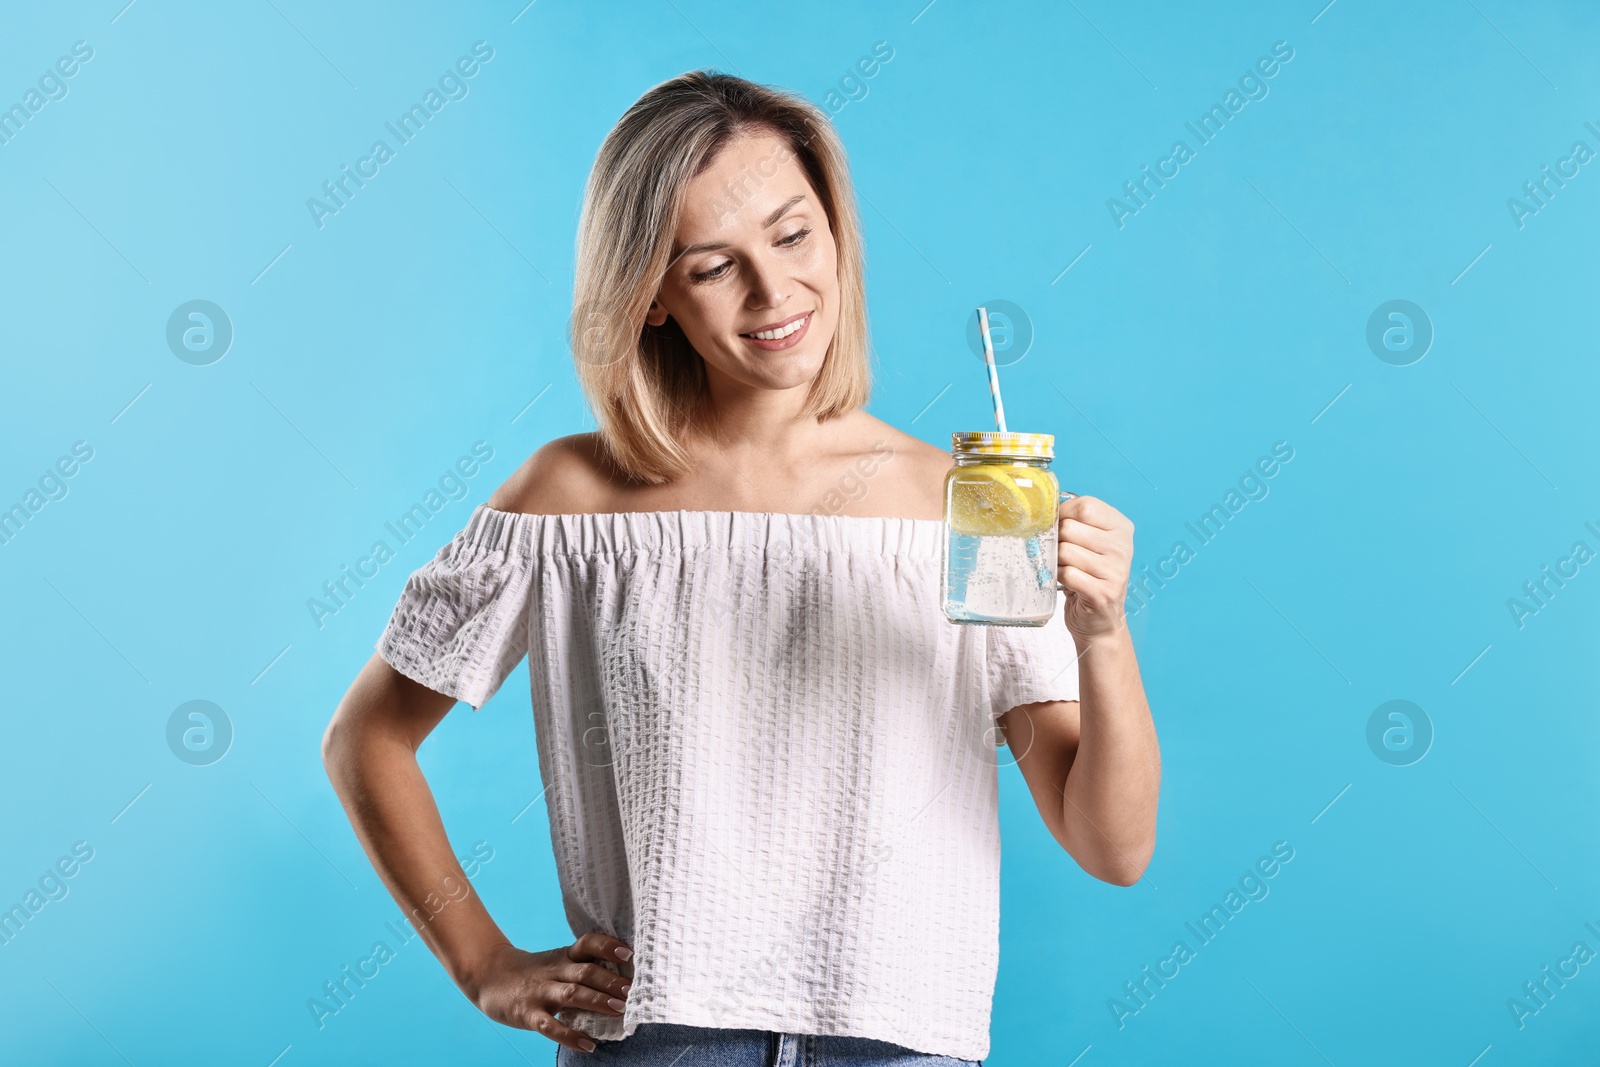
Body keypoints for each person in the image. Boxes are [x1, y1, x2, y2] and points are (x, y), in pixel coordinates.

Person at [322, 70, 1159, 1065]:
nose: (773, 292)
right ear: (652, 295)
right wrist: (481, 960)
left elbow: (1111, 845)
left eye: (793, 234)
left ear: (838, 233)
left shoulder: (965, 507)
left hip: (903, 1041)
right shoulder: (569, 501)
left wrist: (1101, 634)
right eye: (713, 264)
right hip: (655, 1039)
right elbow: (365, 740)